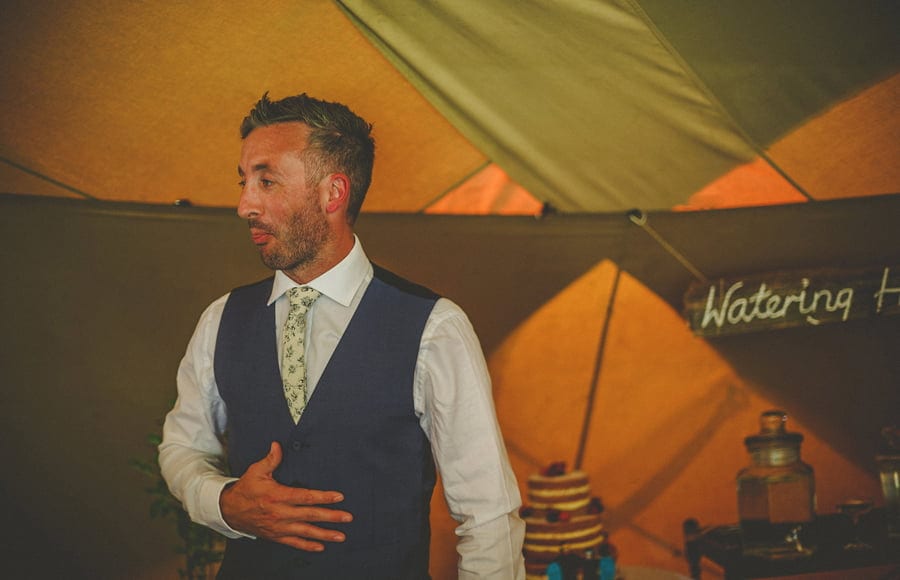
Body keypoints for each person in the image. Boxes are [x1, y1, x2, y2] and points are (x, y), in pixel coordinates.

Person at [159, 92, 525, 579]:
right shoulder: (221, 319)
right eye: (244, 182)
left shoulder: (435, 328)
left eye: (267, 181)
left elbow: (488, 515)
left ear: (333, 193)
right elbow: (182, 447)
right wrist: (222, 501)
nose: (245, 205)